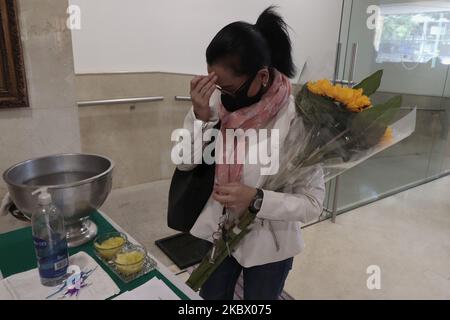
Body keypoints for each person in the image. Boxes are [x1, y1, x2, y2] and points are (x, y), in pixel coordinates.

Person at [177, 6, 325, 300]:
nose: (222, 95)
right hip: (217, 234)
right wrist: (199, 117)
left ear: (262, 77)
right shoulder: (214, 103)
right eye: (214, 84)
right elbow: (184, 163)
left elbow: (312, 203)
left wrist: (258, 200)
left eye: (229, 87)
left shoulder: (297, 120)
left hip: (270, 246)